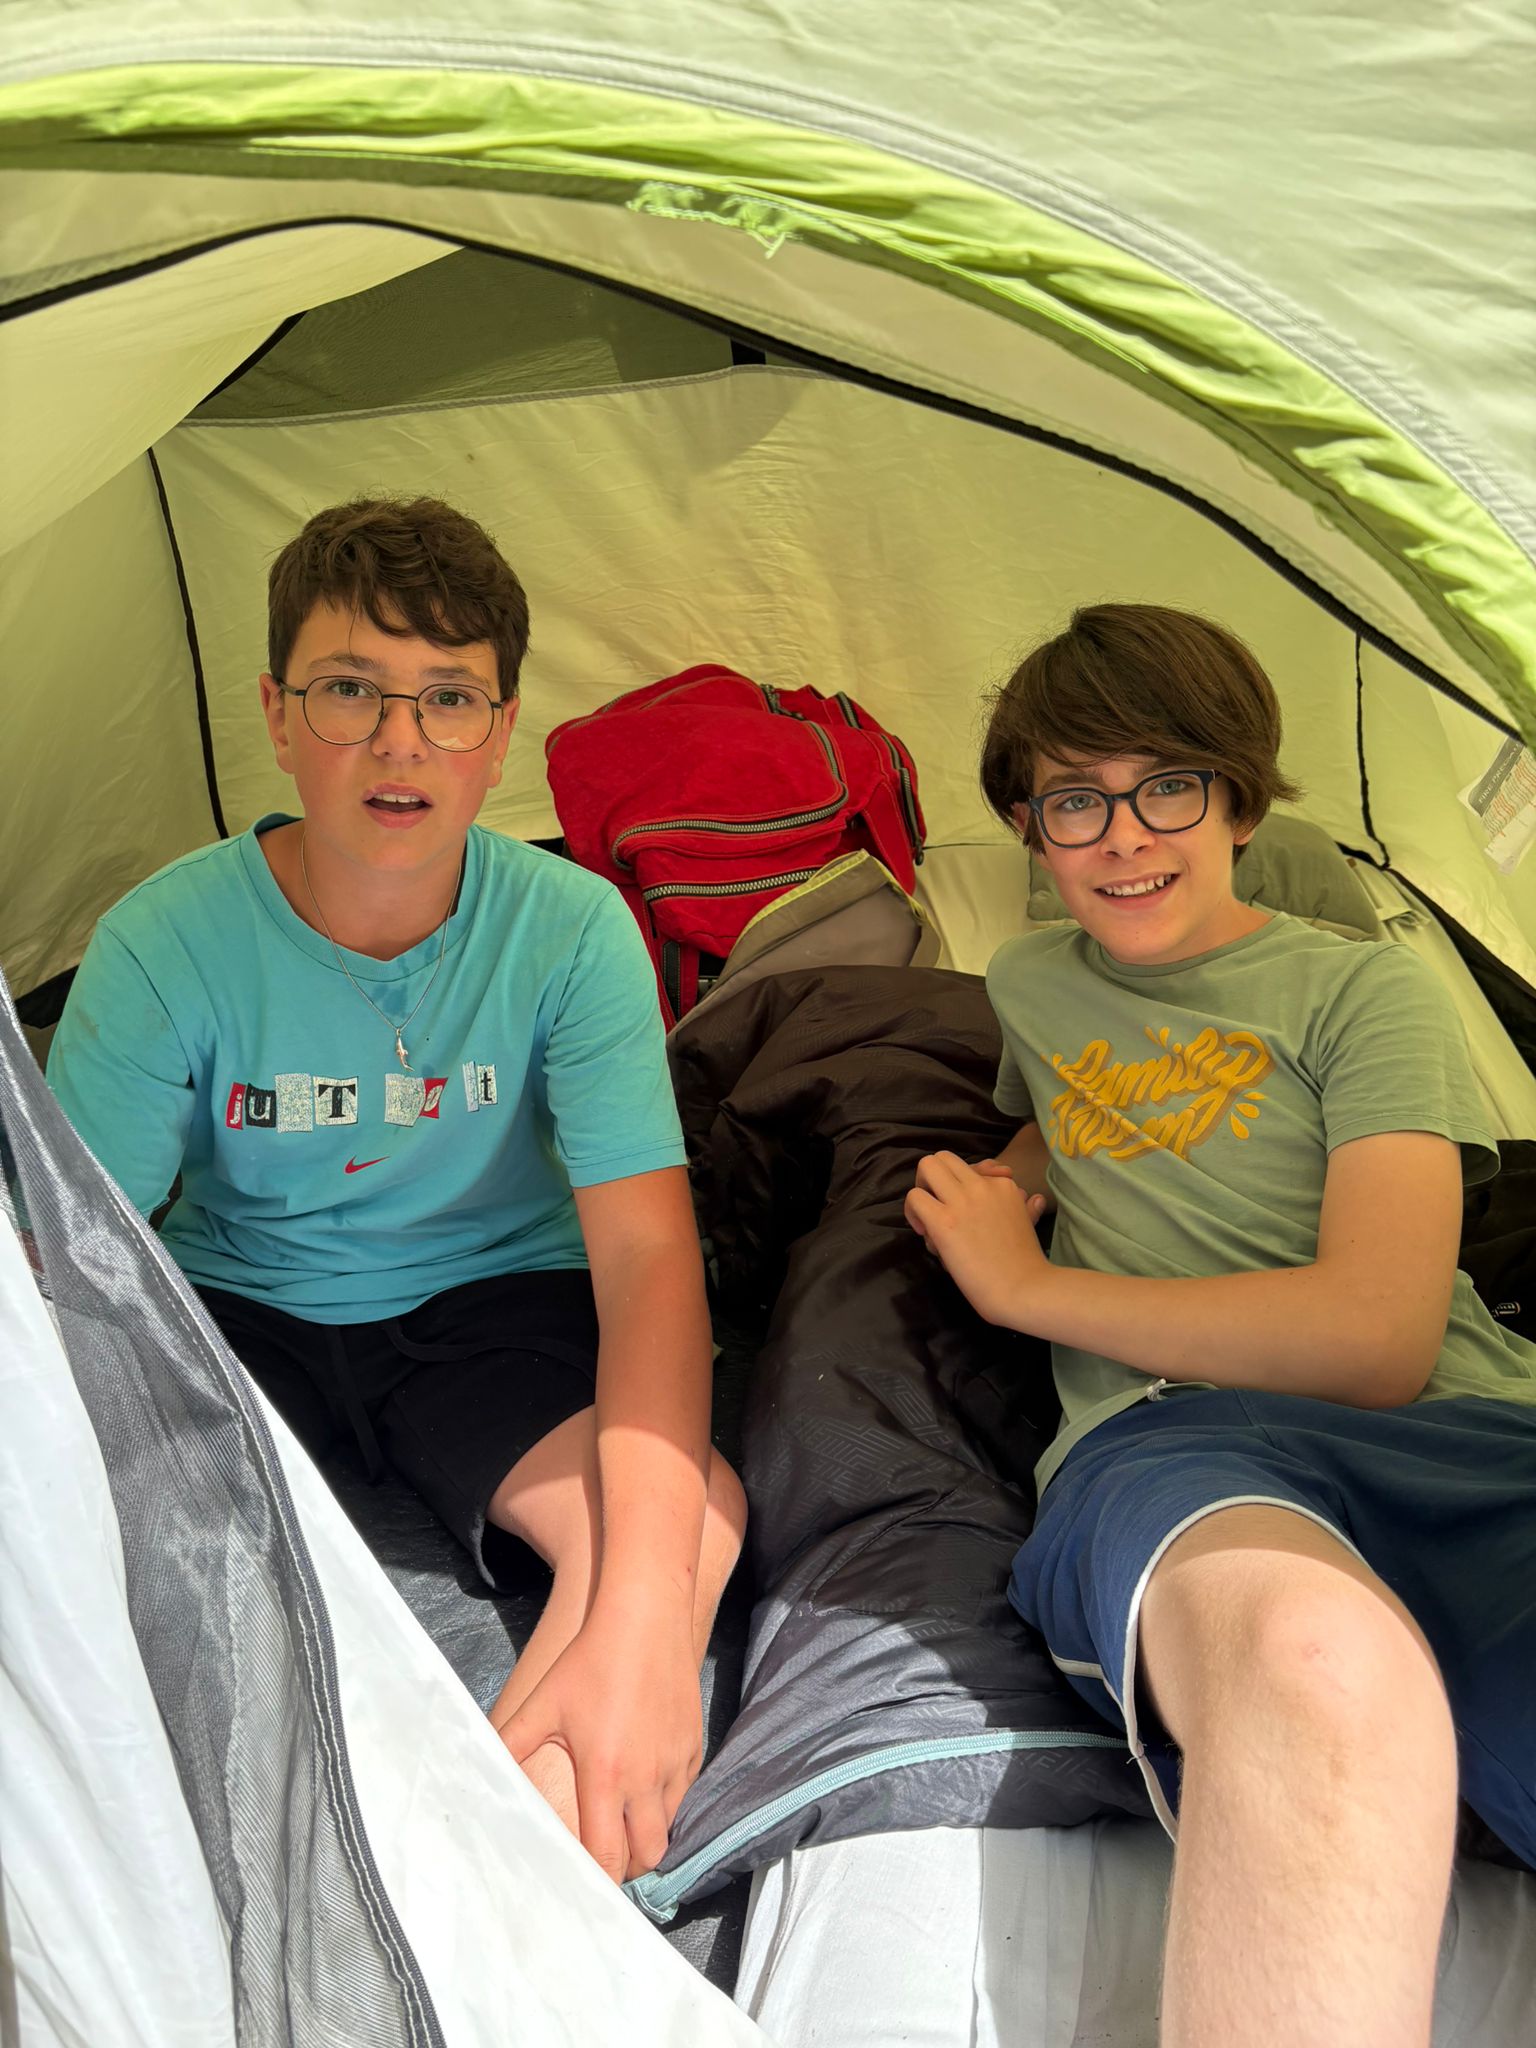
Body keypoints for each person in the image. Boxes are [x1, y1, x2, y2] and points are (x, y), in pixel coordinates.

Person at [48, 495, 746, 1884]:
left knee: (686, 1520)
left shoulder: (568, 930)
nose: (399, 741)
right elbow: (77, 1270)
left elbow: (648, 1263)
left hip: (491, 1304)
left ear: (501, 734)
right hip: (244, 1310)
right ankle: (340, 1875)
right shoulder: (162, 944)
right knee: (122, 1573)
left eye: (448, 699)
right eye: (350, 690)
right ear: (276, 711)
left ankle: (508, 1865)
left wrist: (640, 1631)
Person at [904, 603, 1536, 2048]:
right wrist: (1003, 1187)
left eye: (1167, 788)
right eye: (1075, 800)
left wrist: (1025, 1290)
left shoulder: (1365, 991)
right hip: (1178, 1440)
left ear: (1241, 802)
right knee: (1316, 1665)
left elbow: (1379, 1338)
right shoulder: (1031, 983)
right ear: (1030, 829)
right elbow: (1073, 1117)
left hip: (1460, 1428)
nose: (1123, 838)